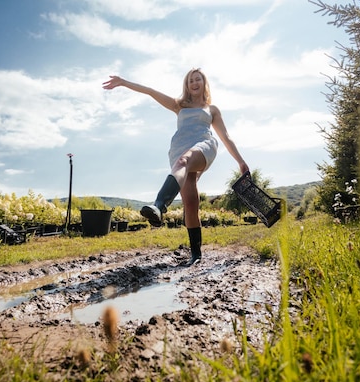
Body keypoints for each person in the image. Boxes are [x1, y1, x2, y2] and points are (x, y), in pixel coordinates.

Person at [102, 69, 250, 266]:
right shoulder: (179, 105)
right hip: (179, 148)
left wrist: (240, 161)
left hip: (203, 145)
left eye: (198, 79)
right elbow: (151, 91)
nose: (194, 83)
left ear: (204, 83)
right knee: (190, 204)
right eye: (190, 81)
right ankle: (196, 255)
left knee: (184, 161)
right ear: (186, 86)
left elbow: (226, 137)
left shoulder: (211, 109)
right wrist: (124, 82)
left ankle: (159, 205)